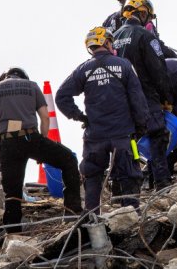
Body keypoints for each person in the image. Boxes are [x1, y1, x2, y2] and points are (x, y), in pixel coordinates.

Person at [56, 27, 149, 210]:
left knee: (92, 177)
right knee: (130, 175)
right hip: (123, 135)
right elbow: (138, 100)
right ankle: (131, 216)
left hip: (95, 137)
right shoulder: (124, 65)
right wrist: (141, 126)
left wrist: (80, 117)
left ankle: (92, 217)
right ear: (107, 42)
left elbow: (61, 96)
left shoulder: (83, 70)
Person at [0, 67, 81, 232]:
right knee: (69, 160)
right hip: (31, 138)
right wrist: (42, 144)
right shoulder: (32, 86)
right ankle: (72, 213)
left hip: (7, 144)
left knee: (12, 191)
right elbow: (45, 117)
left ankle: (13, 233)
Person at [112, 0, 174, 190]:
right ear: (143, 12)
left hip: (120, 100)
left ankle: (118, 188)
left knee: (126, 142)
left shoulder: (113, 39)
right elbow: (159, 70)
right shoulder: (146, 36)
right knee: (158, 136)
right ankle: (161, 182)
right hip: (145, 96)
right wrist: (166, 97)